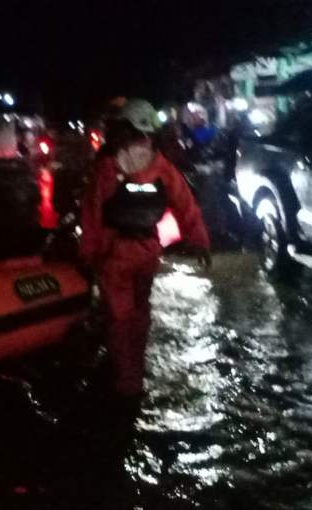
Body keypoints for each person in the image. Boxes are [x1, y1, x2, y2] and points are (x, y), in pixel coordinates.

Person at [80, 99, 211, 400]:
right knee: (140, 314)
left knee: (122, 319)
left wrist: (88, 257)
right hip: (148, 253)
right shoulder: (160, 164)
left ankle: (127, 386)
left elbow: (92, 215)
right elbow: (186, 205)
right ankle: (135, 369)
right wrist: (200, 242)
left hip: (116, 257)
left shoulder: (108, 166)